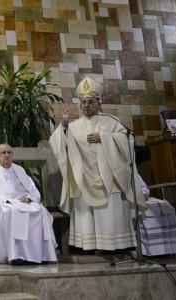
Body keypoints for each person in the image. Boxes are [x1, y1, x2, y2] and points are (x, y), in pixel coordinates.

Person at [49, 76, 148, 252]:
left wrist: (104, 138)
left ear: (98, 103)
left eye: (90, 102)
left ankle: (116, 248)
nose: (86, 105)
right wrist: (63, 127)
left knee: (111, 216)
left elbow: (129, 139)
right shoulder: (73, 126)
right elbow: (58, 144)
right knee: (87, 218)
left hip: (110, 180)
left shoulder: (111, 122)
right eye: (83, 102)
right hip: (84, 179)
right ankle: (89, 248)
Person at [0, 144, 58, 264]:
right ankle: (16, 255)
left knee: (40, 211)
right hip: (4, 204)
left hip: (23, 202)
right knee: (12, 211)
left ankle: (41, 254)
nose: (6, 155)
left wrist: (29, 198)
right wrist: (8, 201)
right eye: (3, 153)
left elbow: (32, 190)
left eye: (9, 153)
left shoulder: (19, 170)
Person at [136, 175, 176, 256]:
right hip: (133, 202)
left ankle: (166, 249)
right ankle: (151, 251)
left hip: (143, 199)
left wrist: (144, 193)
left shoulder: (135, 174)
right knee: (147, 209)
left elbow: (144, 189)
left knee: (165, 206)